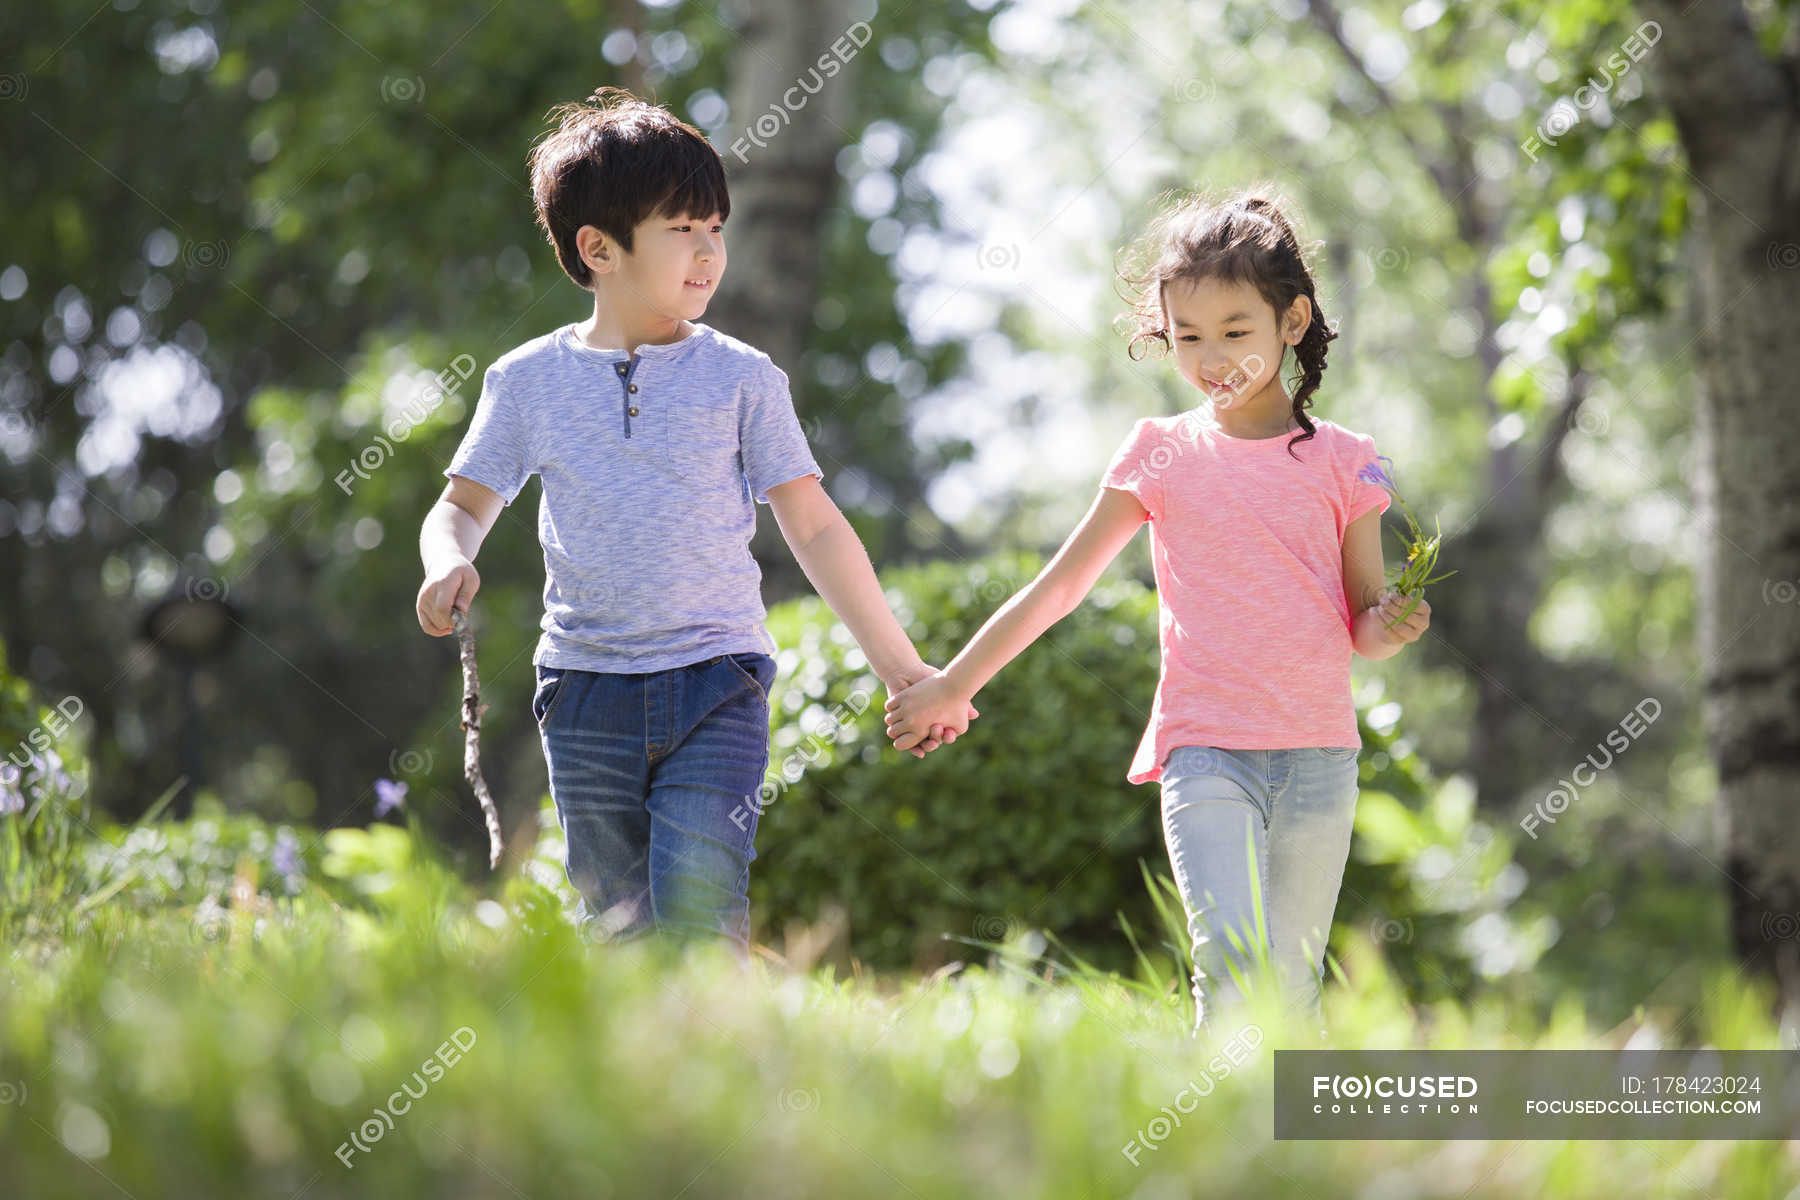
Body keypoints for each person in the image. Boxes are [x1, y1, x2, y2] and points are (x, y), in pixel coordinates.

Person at [415, 87, 972, 963]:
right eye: (683, 229)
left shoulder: (745, 379)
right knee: (619, 929)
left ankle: (729, 1073)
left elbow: (816, 526)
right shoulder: (526, 381)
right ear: (598, 247)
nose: (711, 252)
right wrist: (445, 562)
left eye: (717, 226)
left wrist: (902, 668)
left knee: (703, 911)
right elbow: (460, 507)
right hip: (584, 689)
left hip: (719, 684)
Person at [884, 186, 1432, 1034]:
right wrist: (954, 683)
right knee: (1231, 963)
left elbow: (1363, 625)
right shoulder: (1160, 453)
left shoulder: (1346, 462)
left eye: (1236, 332)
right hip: (1205, 748)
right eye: (1188, 337)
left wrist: (1391, 626)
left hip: (1320, 757)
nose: (1213, 358)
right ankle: (1218, 1140)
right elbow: (1061, 586)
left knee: (1292, 985)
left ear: (1293, 322)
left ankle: (1285, 1156)